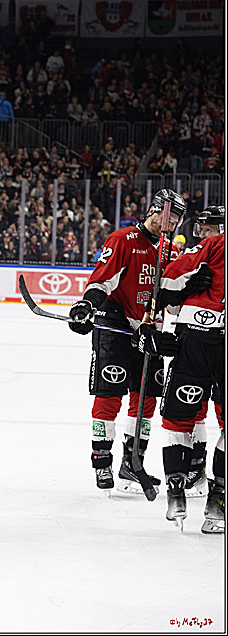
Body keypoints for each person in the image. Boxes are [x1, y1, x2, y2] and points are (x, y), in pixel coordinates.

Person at [67, 189, 187, 494]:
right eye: (166, 214)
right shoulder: (123, 239)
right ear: (153, 211)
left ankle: (133, 463)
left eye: (175, 217)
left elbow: (172, 301)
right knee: (110, 396)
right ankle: (102, 461)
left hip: (150, 331)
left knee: (146, 401)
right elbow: (102, 280)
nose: (169, 221)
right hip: (116, 326)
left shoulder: (170, 251)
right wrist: (87, 306)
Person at [148, 205, 223, 532]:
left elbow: (166, 284)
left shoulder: (211, 246)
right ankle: (218, 502)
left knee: (178, 419)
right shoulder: (211, 244)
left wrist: (184, 288)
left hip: (194, 338)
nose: (202, 233)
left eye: (208, 227)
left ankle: (176, 491)